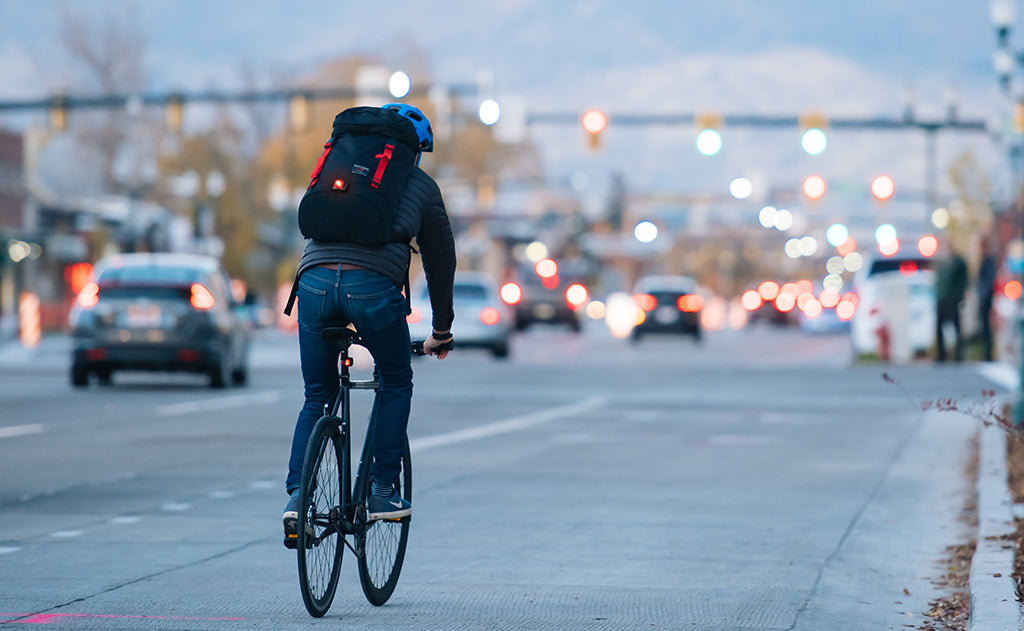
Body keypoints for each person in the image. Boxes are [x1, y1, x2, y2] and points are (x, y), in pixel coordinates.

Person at [282, 103, 456, 543]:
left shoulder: (339, 167)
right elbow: (440, 261)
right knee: (396, 379)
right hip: (373, 290)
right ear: (415, 150)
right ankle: (381, 491)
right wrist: (441, 329)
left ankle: (297, 499)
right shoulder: (419, 184)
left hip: (315, 284)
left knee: (317, 394)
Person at [933, 237, 968, 363]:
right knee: (939, 328)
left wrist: (961, 296)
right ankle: (940, 354)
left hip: (953, 299)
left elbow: (963, 281)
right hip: (941, 299)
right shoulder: (940, 261)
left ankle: (959, 354)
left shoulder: (958, 262)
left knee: (956, 327)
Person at [976, 236, 997, 362]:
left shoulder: (989, 260)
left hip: (986, 298)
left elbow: (988, 281)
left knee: (987, 326)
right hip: (983, 297)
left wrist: (983, 294)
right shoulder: (984, 259)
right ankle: (986, 353)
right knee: (984, 326)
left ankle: (988, 354)